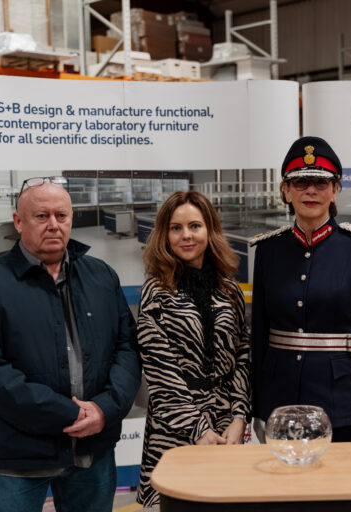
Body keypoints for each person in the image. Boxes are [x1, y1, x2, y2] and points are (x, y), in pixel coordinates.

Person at [0, 177, 140, 512]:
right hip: (17, 456)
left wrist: (105, 409)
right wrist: (68, 412)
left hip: (91, 452)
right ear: (18, 222)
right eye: (41, 216)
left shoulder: (101, 276)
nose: (53, 225)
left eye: (61, 216)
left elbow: (126, 349)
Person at [251, 136, 351, 443]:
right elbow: (260, 337)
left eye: (321, 183)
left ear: (335, 191)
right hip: (282, 401)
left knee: (340, 489)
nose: (310, 191)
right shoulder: (269, 250)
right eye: (301, 182)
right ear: (285, 191)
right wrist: (259, 407)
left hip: (342, 402)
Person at [136, 191, 250, 508]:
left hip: (227, 425)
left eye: (195, 226)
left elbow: (242, 357)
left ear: (209, 230)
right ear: (164, 235)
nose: (186, 235)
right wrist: (198, 429)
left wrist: (240, 416)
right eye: (176, 228)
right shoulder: (155, 292)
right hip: (175, 428)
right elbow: (160, 371)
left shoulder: (229, 288)